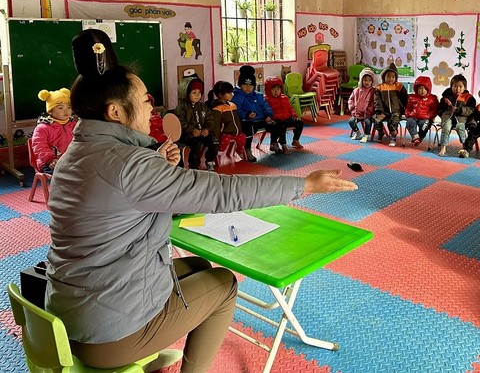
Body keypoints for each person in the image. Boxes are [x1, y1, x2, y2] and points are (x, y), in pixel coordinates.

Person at [45, 29, 357, 373]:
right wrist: (305, 185)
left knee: (197, 268)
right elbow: (221, 192)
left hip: (68, 310)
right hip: (107, 334)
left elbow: (120, 203)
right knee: (223, 284)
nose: (152, 104)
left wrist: (161, 170)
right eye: (145, 97)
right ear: (116, 112)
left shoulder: (75, 154)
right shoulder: (130, 165)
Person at [231, 65, 279, 162]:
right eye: (245, 85)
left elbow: (266, 106)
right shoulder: (237, 96)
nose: (248, 87)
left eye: (251, 85)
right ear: (240, 84)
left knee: (276, 125)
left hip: (260, 119)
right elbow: (235, 111)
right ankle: (247, 149)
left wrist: (268, 115)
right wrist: (246, 114)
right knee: (248, 130)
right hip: (246, 121)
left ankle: (273, 144)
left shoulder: (258, 95)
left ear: (254, 86)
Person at [174, 74, 218, 171]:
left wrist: (207, 129)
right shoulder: (181, 107)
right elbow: (180, 122)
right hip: (187, 136)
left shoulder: (203, 107)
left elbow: (210, 119)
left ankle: (210, 161)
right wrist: (192, 130)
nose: (197, 95)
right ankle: (194, 167)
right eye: (194, 92)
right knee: (196, 144)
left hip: (202, 133)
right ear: (186, 93)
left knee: (214, 141)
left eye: (199, 93)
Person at [31, 87, 77, 175]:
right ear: (50, 111)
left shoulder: (73, 124)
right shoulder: (42, 128)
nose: (66, 110)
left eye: (68, 107)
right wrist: (51, 159)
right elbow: (39, 147)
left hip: (71, 160)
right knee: (64, 175)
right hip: (49, 162)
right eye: (60, 108)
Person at [437, 73, 476, 156]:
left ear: (464, 87)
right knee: (446, 128)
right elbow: (440, 108)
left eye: (460, 86)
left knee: (460, 128)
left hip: (461, 118)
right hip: (448, 116)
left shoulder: (468, 97)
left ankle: (464, 148)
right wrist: (443, 111)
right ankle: (443, 148)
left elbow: (471, 110)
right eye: (455, 86)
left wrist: (459, 110)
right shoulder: (446, 95)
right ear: (451, 86)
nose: (457, 89)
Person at [264, 75, 304, 154]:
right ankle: (283, 144)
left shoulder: (284, 98)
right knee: (281, 126)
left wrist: (294, 116)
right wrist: (268, 117)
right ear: (268, 90)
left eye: (278, 89)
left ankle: (295, 140)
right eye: (273, 89)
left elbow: (290, 108)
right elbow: (265, 111)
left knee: (300, 123)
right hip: (276, 119)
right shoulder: (266, 99)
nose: (276, 91)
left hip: (287, 118)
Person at [209, 81, 247, 160]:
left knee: (242, 137)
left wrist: (239, 129)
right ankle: (218, 153)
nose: (232, 94)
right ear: (220, 95)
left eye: (232, 92)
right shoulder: (217, 108)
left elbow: (236, 119)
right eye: (229, 93)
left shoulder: (233, 105)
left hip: (235, 132)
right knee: (225, 140)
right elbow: (216, 124)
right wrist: (216, 137)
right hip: (225, 133)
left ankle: (239, 152)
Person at [373, 63, 409, 147]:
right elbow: (377, 100)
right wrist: (379, 111)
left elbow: (405, 98)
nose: (391, 78)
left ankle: (393, 137)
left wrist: (406, 109)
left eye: (393, 77)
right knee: (376, 119)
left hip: (396, 111)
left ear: (396, 78)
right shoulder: (379, 87)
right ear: (383, 77)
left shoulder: (399, 86)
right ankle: (381, 132)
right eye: (388, 76)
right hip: (384, 112)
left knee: (393, 122)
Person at [404, 75, 439, 146]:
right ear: (416, 89)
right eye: (420, 88)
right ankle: (415, 137)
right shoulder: (412, 97)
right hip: (413, 116)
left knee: (424, 125)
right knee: (409, 122)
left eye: (424, 88)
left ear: (428, 89)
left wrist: (429, 116)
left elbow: (434, 110)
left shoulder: (432, 98)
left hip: (425, 118)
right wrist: (408, 114)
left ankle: (420, 137)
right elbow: (408, 107)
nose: (422, 90)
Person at [348, 67, 377, 143]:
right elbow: (350, 100)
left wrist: (369, 111)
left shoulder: (373, 91)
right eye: (365, 80)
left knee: (368, 122)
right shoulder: (356, 90)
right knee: (351, 121)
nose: (367, 82)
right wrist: (352, 108)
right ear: (361, 80)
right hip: (357, 113)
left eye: (369, 80)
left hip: (368, 114)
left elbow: (373, 103)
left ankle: (366, 135)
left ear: (372, 81)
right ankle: (357, 132)